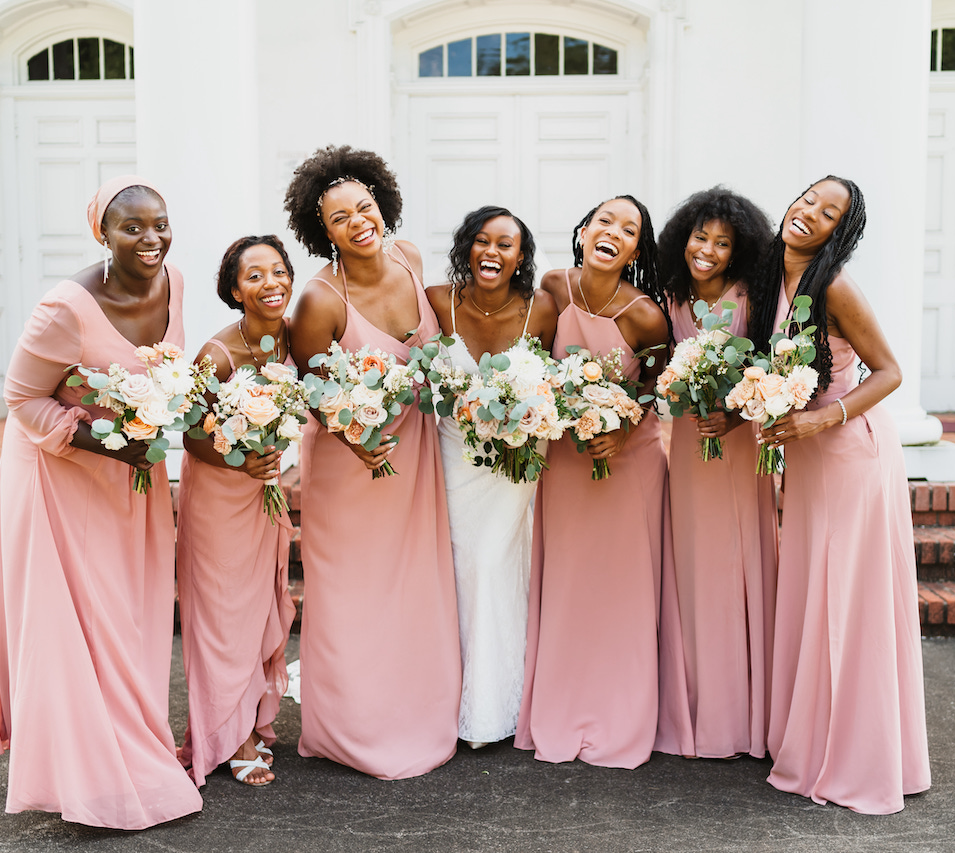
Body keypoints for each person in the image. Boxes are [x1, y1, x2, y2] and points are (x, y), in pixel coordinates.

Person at [0, 176, 203, 828]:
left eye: (159, 223)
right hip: (58, 475)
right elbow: (22, 399)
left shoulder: (178, 283)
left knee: (130, 612)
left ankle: (132, 739)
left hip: (130, 476)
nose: (151, 238)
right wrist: (113, 446)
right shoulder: (65, 308)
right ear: (100, 234)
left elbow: (166, 375)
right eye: (131, 226)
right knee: (75, 621)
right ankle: (84, 773)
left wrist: (154, 429)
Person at [750, 176, 930, 814]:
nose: (809, 214)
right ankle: (814, 731)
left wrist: (820, 421)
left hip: (851, 452)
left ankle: (857, 755)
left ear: (838, 232)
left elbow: (890, 371)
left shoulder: (834, 287)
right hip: (805, 454)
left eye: (829, 214)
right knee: (812, 592)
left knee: (848, 600)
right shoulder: (773, 277)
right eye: (808, 199)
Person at [285, 145, 461, 779]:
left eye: (365, 207)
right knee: (355, 588)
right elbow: (307, 389)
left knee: (413, 578)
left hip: (413, 449)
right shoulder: (319, 301)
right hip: (352, 461)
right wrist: (353, 434)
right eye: (339, 217)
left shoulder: (409, 259)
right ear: (320, 230)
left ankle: (416, 708)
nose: (360, 222)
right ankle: (352, 727)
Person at [515, 195, 681, 768]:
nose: (614, 232)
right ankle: (559, 709)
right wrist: (548, 407)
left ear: (637, 249)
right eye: (605, 220)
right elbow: (528, 365)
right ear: (583, 231)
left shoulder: (645, 314)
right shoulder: (554, 289)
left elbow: (659, 389)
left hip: (626, 465)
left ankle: (620, 714)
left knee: (622, 591)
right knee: (566, 585)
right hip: (564, 461)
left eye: (629, 229)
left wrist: (623, 422)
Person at [425, 206, 559, 749]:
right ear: (466, 247)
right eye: (482, 241)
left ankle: (493, 706)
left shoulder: (542, 310)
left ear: (522, 256)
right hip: (455, 455)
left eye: (505, 244)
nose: (492, 253)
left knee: (494, 563)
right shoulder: (438, 302)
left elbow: (555, 382)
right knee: (456, 566)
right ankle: (441, 693)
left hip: (515, 461)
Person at [657, 188, 779, 759]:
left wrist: (734, 414)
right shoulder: (670, 294)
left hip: (734, 439)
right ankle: (695, 703)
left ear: (740, 250)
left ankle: (740, 713)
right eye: (700, 237)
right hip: (688, 441)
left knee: (737, 561)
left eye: (722, 242)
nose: (707, 249)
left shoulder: (752, 297)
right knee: (693, 563)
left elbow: (770, 373)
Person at [175, 235, 298, 788]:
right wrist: (242, 457)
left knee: (255, 611)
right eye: (255, 276)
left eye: (278, 271)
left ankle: (249, 719)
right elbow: (188, 433)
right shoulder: (216, 354)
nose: (270, 283)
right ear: (234, 290)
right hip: (220, 497)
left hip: (262, 493)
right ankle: (232, 738)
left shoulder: (291, 340)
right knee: (223, 617)